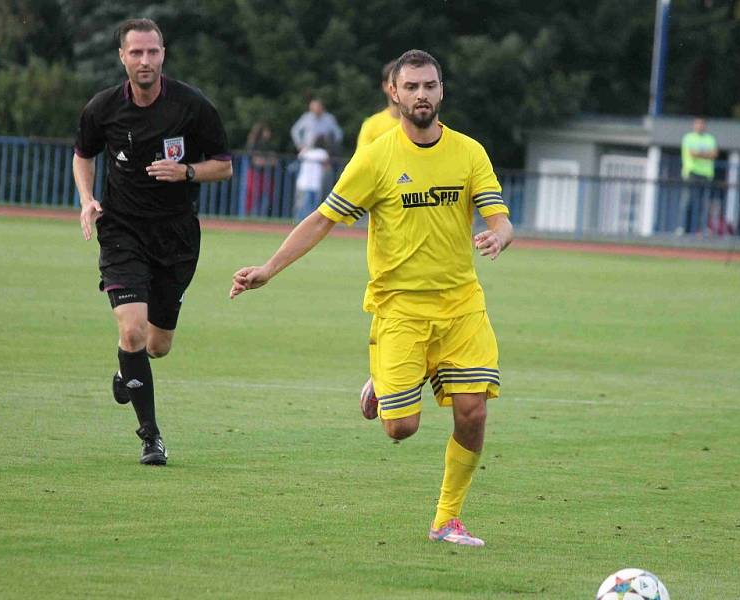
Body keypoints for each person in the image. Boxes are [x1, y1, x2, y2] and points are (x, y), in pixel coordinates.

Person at [230, 49, 513, 547]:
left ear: (441, 91)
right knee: (400, 429)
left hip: (461, 305)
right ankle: (384, 383)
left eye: (429, 86)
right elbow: (322, 218)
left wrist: (499, 235)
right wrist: (269, 269)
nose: (421, 95)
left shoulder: (470, 152)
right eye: (412, 87)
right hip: (400, 308)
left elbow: (499, 217)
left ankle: (446, 519)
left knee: (473, 411)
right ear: (394, 93)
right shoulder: (377, 156)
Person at [73, 18, 232, 465]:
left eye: (153, 52)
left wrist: (186, 172)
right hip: (122, 232)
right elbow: (83, 154)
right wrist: (87, 199)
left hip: (177, 237)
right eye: (137, 53)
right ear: (122, 57)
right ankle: (151, 437)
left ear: (164, 54)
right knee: (132, 330)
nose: (146, 61)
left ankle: (128, 370)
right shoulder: (102, 108)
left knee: (156, 345)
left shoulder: (192, 107)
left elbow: (224, 165)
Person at [680, 117, 718, 234]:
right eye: (698, 124)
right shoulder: (688, 137)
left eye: (702, 124)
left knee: (704, 204)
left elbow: (714, 154)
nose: (700, 126)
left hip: (706, 174)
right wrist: (705, 154)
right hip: (691, 173)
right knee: (688, 202)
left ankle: (702, 229)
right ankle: (684, 228)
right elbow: (692, 153)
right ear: (694, 125)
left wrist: (699, 153)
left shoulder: (710, 139)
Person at [356, 59, 400, 148]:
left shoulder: (421, 125)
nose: (398, 87)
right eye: (394, 83)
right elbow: (363, 160)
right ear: (385, 86)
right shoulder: (371, 125)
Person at [294, 135, 330, 222]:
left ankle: (298, 222)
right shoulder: (322, 153)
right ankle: (309, 223)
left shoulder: (306, 151)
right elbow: (327, 167)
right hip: (315, 183)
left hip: (302, 182)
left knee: (302, 205)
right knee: (312, 206)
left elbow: (299, 157)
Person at [244, 122, 277, 216]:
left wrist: (265, 161)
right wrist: (268, 161)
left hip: (264, 174)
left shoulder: (267, 145)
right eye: (267, 131)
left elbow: (274, 160)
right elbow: (256, 161)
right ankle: (250, 214)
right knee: (253, 195)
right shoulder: (254, 145)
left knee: (267, 195)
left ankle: (260, 215)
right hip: (255, 173)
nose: (268, 133)